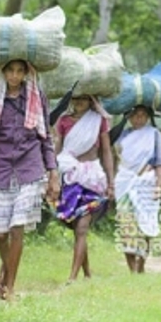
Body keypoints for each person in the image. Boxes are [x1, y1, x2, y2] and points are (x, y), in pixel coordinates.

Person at [0, 59, 60, 300]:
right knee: (0, 234)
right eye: (10, 71)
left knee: (16, 228)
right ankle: (7, 268)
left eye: (19, 71)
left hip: (30, 168)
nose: (14, 76)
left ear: (25, 73)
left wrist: (53, 172)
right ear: (3, 72)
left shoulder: (35, 97)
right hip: (2, 169)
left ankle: (9, 287)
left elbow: (45, 137)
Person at [52, 93, 114, 282]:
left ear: (92, 101)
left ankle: (72, 277)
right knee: (75, 225)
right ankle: (87, 273)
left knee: (82, 227)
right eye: (76, 98)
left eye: (84, 98)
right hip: (71, 177)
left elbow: (106, 150)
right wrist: (51, 176)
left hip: (92, 177)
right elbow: (57, 149)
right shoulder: (63, 121)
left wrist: (111, 182)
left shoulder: (98, 121)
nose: (79, 102)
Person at [112, 104, 161, 274]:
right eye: (135, 115)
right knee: (126, 224)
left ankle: (142, 263)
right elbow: (115, 157)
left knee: (146, 225)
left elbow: (160, 162)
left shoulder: (154, 134)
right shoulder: (122, 135)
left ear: (148, 117)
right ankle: (131, 269)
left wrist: (158, 186)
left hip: (146, 183)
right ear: (129, 117)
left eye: (143, 115)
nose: (139, 119)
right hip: (124, 182)